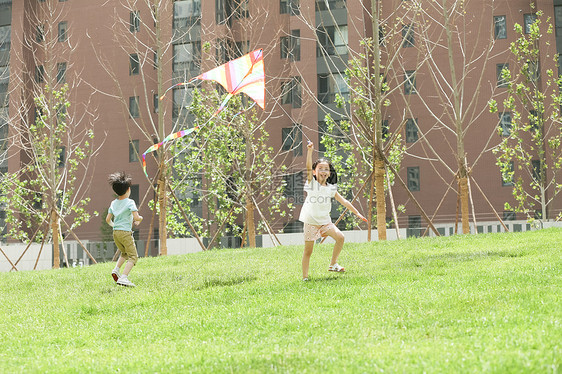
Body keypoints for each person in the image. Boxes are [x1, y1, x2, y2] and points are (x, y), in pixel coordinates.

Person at [299, 141, 367, 281]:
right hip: (311, 221)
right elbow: (307, 167)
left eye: (326, 169)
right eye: (320, 168)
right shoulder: (311, 184)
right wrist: (310, 152)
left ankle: (333, 264)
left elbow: (345, 202)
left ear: (329, 173)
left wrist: (357, 213)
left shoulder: (331, 188)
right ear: (314, 172)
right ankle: (305, 277)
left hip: (325, 221)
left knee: (340, 237)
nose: (323, 171)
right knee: (308, 251)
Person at [105, 172, 143, 287]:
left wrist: (115, 226)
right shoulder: (130, 202)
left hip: (115, 232)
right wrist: (140, 218)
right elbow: (136, 217)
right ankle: (124, 277)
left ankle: (116, 269)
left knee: (124, 253)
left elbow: (108, 220)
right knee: (133, 256)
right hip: (125, 233)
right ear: (128, 189)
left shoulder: (114, 203)